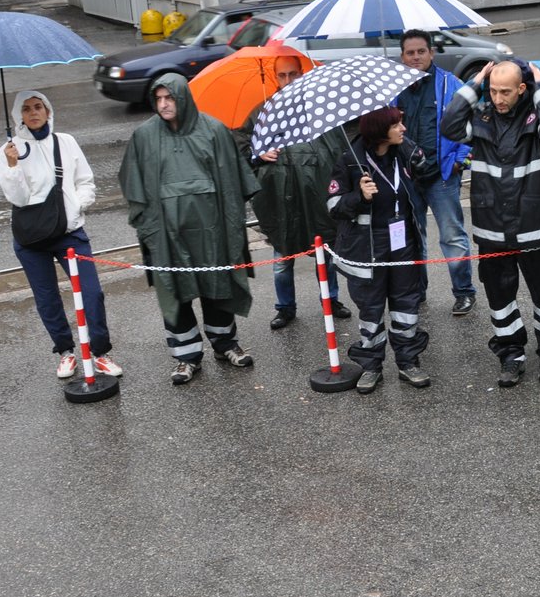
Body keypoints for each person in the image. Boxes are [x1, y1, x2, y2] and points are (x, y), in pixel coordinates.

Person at [119, 73, 259, 385]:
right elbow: (133, 182)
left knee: (218, 283)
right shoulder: (144, 136)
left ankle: (226, 344)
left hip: (212, 230)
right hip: (167, 234)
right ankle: (186, 356)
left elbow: (235, 180)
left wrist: (231, 225)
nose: (164, 104)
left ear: (183, 97)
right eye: (159, 99)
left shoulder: (214, 130)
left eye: (169, 97)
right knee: (175, 290)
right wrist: (150, 227)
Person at [440, 59, 540, 387]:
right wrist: (476, 82)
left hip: (537, 225)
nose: (498, 98)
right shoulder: (481, 117)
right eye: (494, 90)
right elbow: (449, 126)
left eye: (506, 92)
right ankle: (510, 355)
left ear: (522, 89)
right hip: (492, 228)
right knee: (500, 299)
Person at [0, 90, 122, 379]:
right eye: (26, 109)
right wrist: (13, 166)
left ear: (48, 111)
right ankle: (65, 352)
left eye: (39, 107)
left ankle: (100, 352)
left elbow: (85, 181)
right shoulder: (9, 150)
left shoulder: (65, 142)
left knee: (92, 294)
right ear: (19, 116)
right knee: (47, 298)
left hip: (69, 232)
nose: (34, 113)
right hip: (31, 238)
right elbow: (16, 197)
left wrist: (76, 207)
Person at [328, 107, 435, 392]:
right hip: (367, 247)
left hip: (403, 241)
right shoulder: (349, 161)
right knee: (371, 309)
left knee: (406, 305)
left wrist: (410, 149)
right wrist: (358, 197)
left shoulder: (403, 153)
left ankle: (408, 362)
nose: (403, 128)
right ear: (378, 130)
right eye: (396, 124)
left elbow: (427, 169)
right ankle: (371, 366)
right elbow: (332, 207)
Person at [246, 56, 351, 331]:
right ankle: (285, 307)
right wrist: (257, 155)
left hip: (317, 196)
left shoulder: (323, 109)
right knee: (282, 260)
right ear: (274, 77)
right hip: (280, 199)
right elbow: (241, 149)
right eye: (282, 75)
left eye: (293, 74)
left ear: (302, 73)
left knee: (324, 254)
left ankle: (331, 300)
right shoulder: (262, 113)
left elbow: (341, 147)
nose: (288, 80)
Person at [395, 29, 476, 317]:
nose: (415, 57)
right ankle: (418, 292)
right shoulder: (394, 88)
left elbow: (470, 126)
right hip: (407, 178)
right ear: (402, 56)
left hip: (442, 176)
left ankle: (464, 292)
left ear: (431, 53)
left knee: (452, 236)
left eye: (420, 51)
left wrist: (460, 161)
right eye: (409, 52)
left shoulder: (450, 84)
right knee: (413, 238)